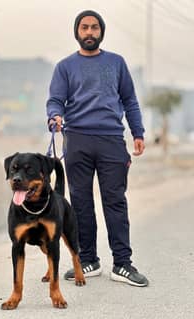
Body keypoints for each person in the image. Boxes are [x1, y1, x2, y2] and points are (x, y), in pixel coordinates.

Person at [46, 10, 148, 287]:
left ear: (101, 31)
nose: (89, 32)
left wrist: (137, 132)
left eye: (94, 27)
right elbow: (55, 100)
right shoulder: (65, 67)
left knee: (115, 201)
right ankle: (87, 260)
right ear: (76, 32)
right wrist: (54, 116)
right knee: (80, 203)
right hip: (77, 139)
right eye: (84, 27)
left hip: (111, 140)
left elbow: (130, 100)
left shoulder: (116, 63)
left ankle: (122, 264)